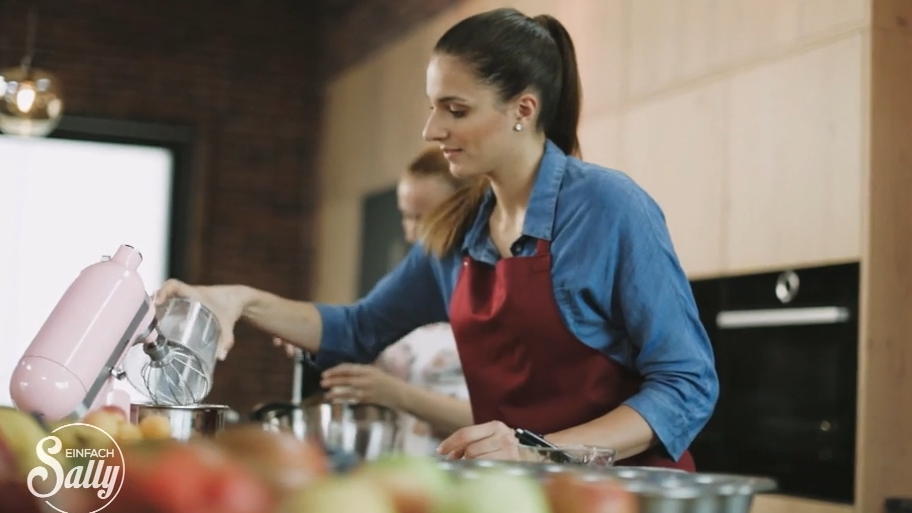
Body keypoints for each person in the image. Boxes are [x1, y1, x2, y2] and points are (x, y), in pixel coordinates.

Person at [157, 7, 718, 470]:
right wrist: (238, 299)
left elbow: (686, 385)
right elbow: (358, 328)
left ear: (523, 109)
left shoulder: (609, 207)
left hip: (627, 497)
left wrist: (541, 452)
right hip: (517, 496)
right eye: (433, 107)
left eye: (456, 109)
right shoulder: (456, 231)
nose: (432, 130)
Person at [318, 148, 472, 454]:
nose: (412, 232)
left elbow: (503, 422)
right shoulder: (402, 296)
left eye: (424, 217)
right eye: (406, 216)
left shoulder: (483, 304)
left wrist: (397, 394)